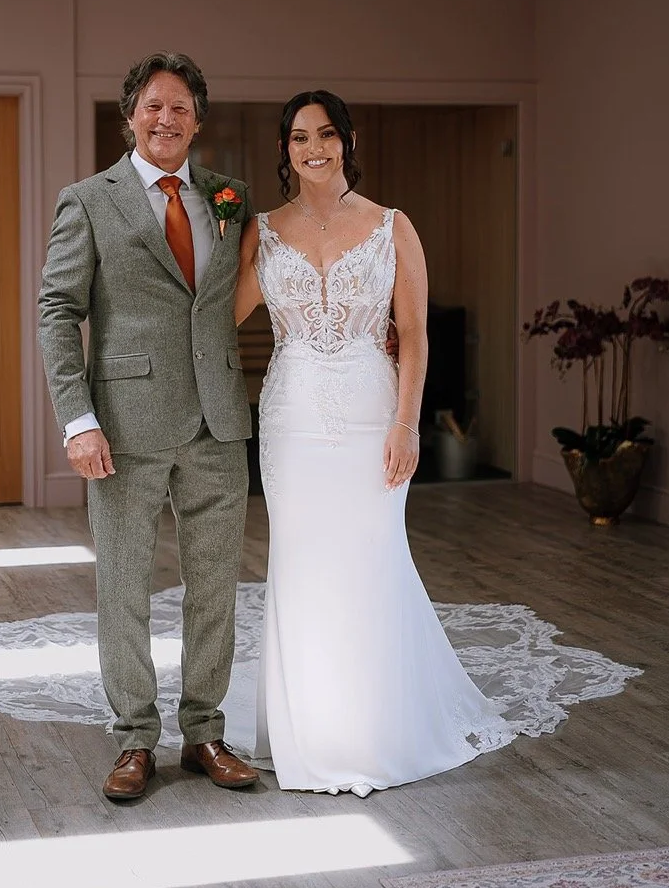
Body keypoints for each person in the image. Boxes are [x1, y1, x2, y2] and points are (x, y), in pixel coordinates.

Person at [234, 90, 512, 795]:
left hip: (372, 412)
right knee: (299, 564)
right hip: (291, 417)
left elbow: (413, 336)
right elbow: (223, 314)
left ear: (348, 140)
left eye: (326, 134)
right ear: (284, 149)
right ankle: (311, 729)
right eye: (299, 137)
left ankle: (375, 726)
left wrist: (405, 422)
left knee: (372, 557)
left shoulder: (392, 227)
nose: (313, 148)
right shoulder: (260, 229)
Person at [39, 51, 259, 801]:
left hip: (219, 421)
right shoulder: (88, 200)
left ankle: (204, 732)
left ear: (199, 120)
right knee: (123, 585)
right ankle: (134, 738)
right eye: (154, 106)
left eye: (182, 108)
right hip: (124, 427)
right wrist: (78, 419)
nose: (167, 119)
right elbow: (57, 311)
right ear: (130, 115)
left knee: (216, 588)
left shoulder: (232, 197)